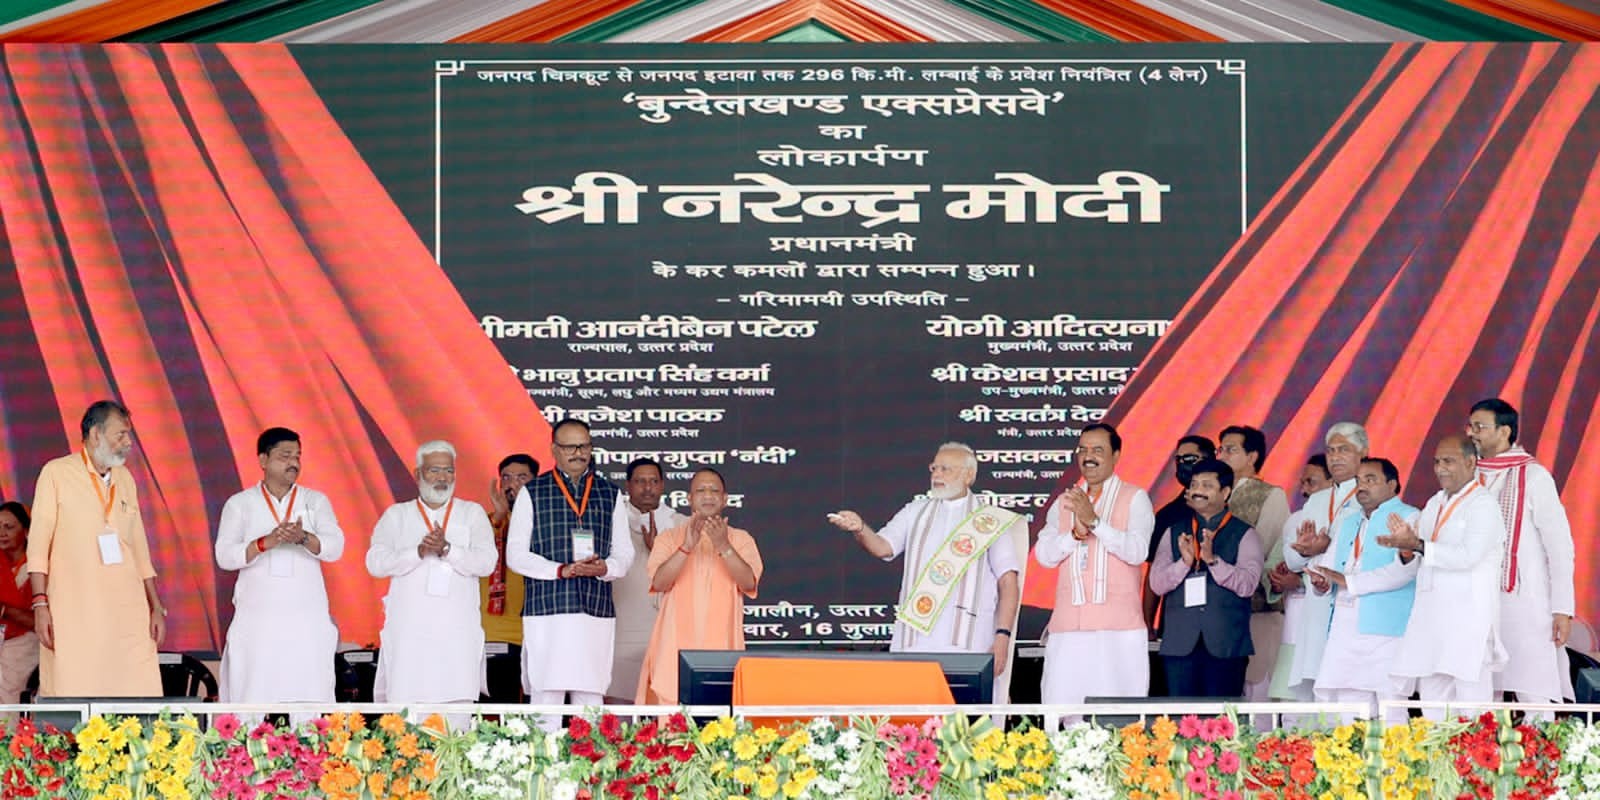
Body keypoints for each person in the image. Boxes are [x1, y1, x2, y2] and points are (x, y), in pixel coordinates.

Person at [830, 442, 1023, 693]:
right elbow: (883, 547)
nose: (936, 475)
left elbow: (1008, 583)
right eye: (934, 468)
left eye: (945, 469)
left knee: (965, 714)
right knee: (914, 713)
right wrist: (860, 529)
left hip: (969, 642)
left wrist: (1003, 636)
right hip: (914, 639)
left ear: (969, 476)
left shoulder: (990, 520)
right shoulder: (915, 511)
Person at [28, 400, 165, 697]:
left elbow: (140, 548)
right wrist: (40, 605)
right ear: (95, 435)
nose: (128, 442)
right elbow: (37, 547)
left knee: (134, 688)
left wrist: (156, 607)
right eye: (121, 434)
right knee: (74, 685)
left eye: (129, 435)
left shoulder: (125, 479)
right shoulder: (56, 473)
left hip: (126, 608)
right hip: (75, 607)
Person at [507, 419, 634, 726]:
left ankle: (590, 758)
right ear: (554, 450)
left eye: (584, 446)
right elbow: (516, 555)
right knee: (546, 698)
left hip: (594, 610)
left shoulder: (609, 493)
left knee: (590, 700)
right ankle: (542, 758)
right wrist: (560, 570)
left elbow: (625, 553)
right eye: (570, 447)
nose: (578, 453)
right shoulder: (532, 492)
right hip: (547, 609)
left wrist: (606, 568)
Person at [214, 427, 345, 704]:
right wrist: (265, 543)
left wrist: (304, 538)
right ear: (263, 460)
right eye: (285, 456)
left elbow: (335, 547)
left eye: (297, 456)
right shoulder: (240, 504)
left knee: (309, 695)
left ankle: (309, 735)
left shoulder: (315, 501)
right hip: (258, 620)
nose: (293, 463)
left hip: (306, 618)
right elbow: (224, 556)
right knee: (251, 695)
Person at [1384, 434, 1508, 719]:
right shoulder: (1434, 503)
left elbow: (1468, 556)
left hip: (1469, 618)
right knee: (1433, 704)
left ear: (1471, 462)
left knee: (1473, 708)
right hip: (1432, 618)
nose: (1440, 469)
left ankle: (1476, 751)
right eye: (1437, 462)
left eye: (1449, 461)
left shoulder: (1483, 504)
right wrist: (1405, 549)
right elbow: (1421, 557)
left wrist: (1417, 545)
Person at [1030, 424, 1153, 709]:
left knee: (1118, 717)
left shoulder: (1135, 497)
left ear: (1116, 455)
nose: (1089, 457)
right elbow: (1044, 556)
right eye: (1083, 450)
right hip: (1068, 629)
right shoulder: (1064, 502)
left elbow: (1137, 552)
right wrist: (1074, 535)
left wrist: (1095, 522)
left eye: (1098, 450)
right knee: (1063, 712)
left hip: (1118, 630)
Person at [367, 440, 497, 705]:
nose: (442, 478)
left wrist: (447, 549)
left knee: (456, 715)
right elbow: (375, 563)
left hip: (456, 633)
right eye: (434, 470)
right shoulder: (397, 515)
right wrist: (418, 552)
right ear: (418, 474)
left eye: (449, 471)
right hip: (410, 634)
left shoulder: (472, 513)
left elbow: (486, 563)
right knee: (407, 714)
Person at [1468, 398, 1576, 704]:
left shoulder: (1533, 476)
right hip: (1475, 599)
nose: (1471, 433)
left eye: (1479, 426)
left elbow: (1559, 546)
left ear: (1504, 432)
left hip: (1525, 601)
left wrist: (1562, 609)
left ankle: (1539, 736)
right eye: (1470, 426)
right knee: (1479, 687)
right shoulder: (1468, 475)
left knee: (1532, 687)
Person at [636, 468, 762, 704]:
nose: (708, 495)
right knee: (672, 718)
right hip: (674, 647)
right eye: (701, 490)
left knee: (720, 715)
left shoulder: (741, 539)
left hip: (722, 647)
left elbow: (748, 582)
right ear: (689, 499)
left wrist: (724, 545)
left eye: (714, 490)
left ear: (725, 499)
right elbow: (659, 582)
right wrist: (686, 547)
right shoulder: (669, 538)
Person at [1308, 457, 1418, 722]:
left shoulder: (1410, 516)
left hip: (1386, 627)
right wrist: (1321, 581)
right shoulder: (1349, 522)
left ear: (1392, 485)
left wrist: (1350, 582)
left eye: (1371, 480)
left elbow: (1407, 570)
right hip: (1344, 625)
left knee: (1390, 705)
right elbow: (1329, 567)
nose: (1362, 487)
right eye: (1359, 481)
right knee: (1347, 703)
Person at [1271, 422, 1368, 703]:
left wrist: (1325, 547)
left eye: (1344, 450)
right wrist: (1304, 551)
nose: (1335, 457)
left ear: (1363, 453)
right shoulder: (1317, 500)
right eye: (1331, 451)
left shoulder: (1368, 496)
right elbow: (1292, 558)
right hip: (1315, 603)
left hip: (1350, 602)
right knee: (1312, 693)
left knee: (1347, 693)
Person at [1149, 459, 1263, 697]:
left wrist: (1212, 561)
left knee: (1223, 717)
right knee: (1182, 716)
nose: (1198, 491)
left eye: (1207, 485)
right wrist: (1184, 563)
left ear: (1225, 492)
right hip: (1179, 646)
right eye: (1194, 484)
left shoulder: (1245, 533)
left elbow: (1248, 585)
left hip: (1227, 646)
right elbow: (1156, 584)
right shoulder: (1173, 531)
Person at [1217, 425, 1291, 703]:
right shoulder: (1214, 492)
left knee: (1256, 688)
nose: (1222, 455)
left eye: (1230, 449)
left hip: (1257, 609)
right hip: (1218, 614)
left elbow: (1266, 549)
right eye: (1220, 449)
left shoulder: (1270, 494)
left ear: (1252, 456)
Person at [609, 458, 684, 702]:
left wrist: (658, 550)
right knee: (618, 708)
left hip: (668, 628)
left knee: (664, 706)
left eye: (653, 481)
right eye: (640, 481)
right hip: (622, 628)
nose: (647, 488)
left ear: (663, 485)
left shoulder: (682, 526)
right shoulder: (610, 525)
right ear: (628, 486)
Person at [481, 453, 539, 701]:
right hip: (493, 633)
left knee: (538, 711)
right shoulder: (484, 522)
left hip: (538, 631)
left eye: (521, 477)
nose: (512, 484)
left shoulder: (545, 523)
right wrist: (498, 516)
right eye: (506, 477)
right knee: (494, 712)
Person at [0, 502, 39, 706]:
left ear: (26, 531)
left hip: (26, 646)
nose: (1, 533)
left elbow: (40, 620)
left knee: (12, 700)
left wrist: (5, 610)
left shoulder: (37, 568)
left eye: (8, 527)